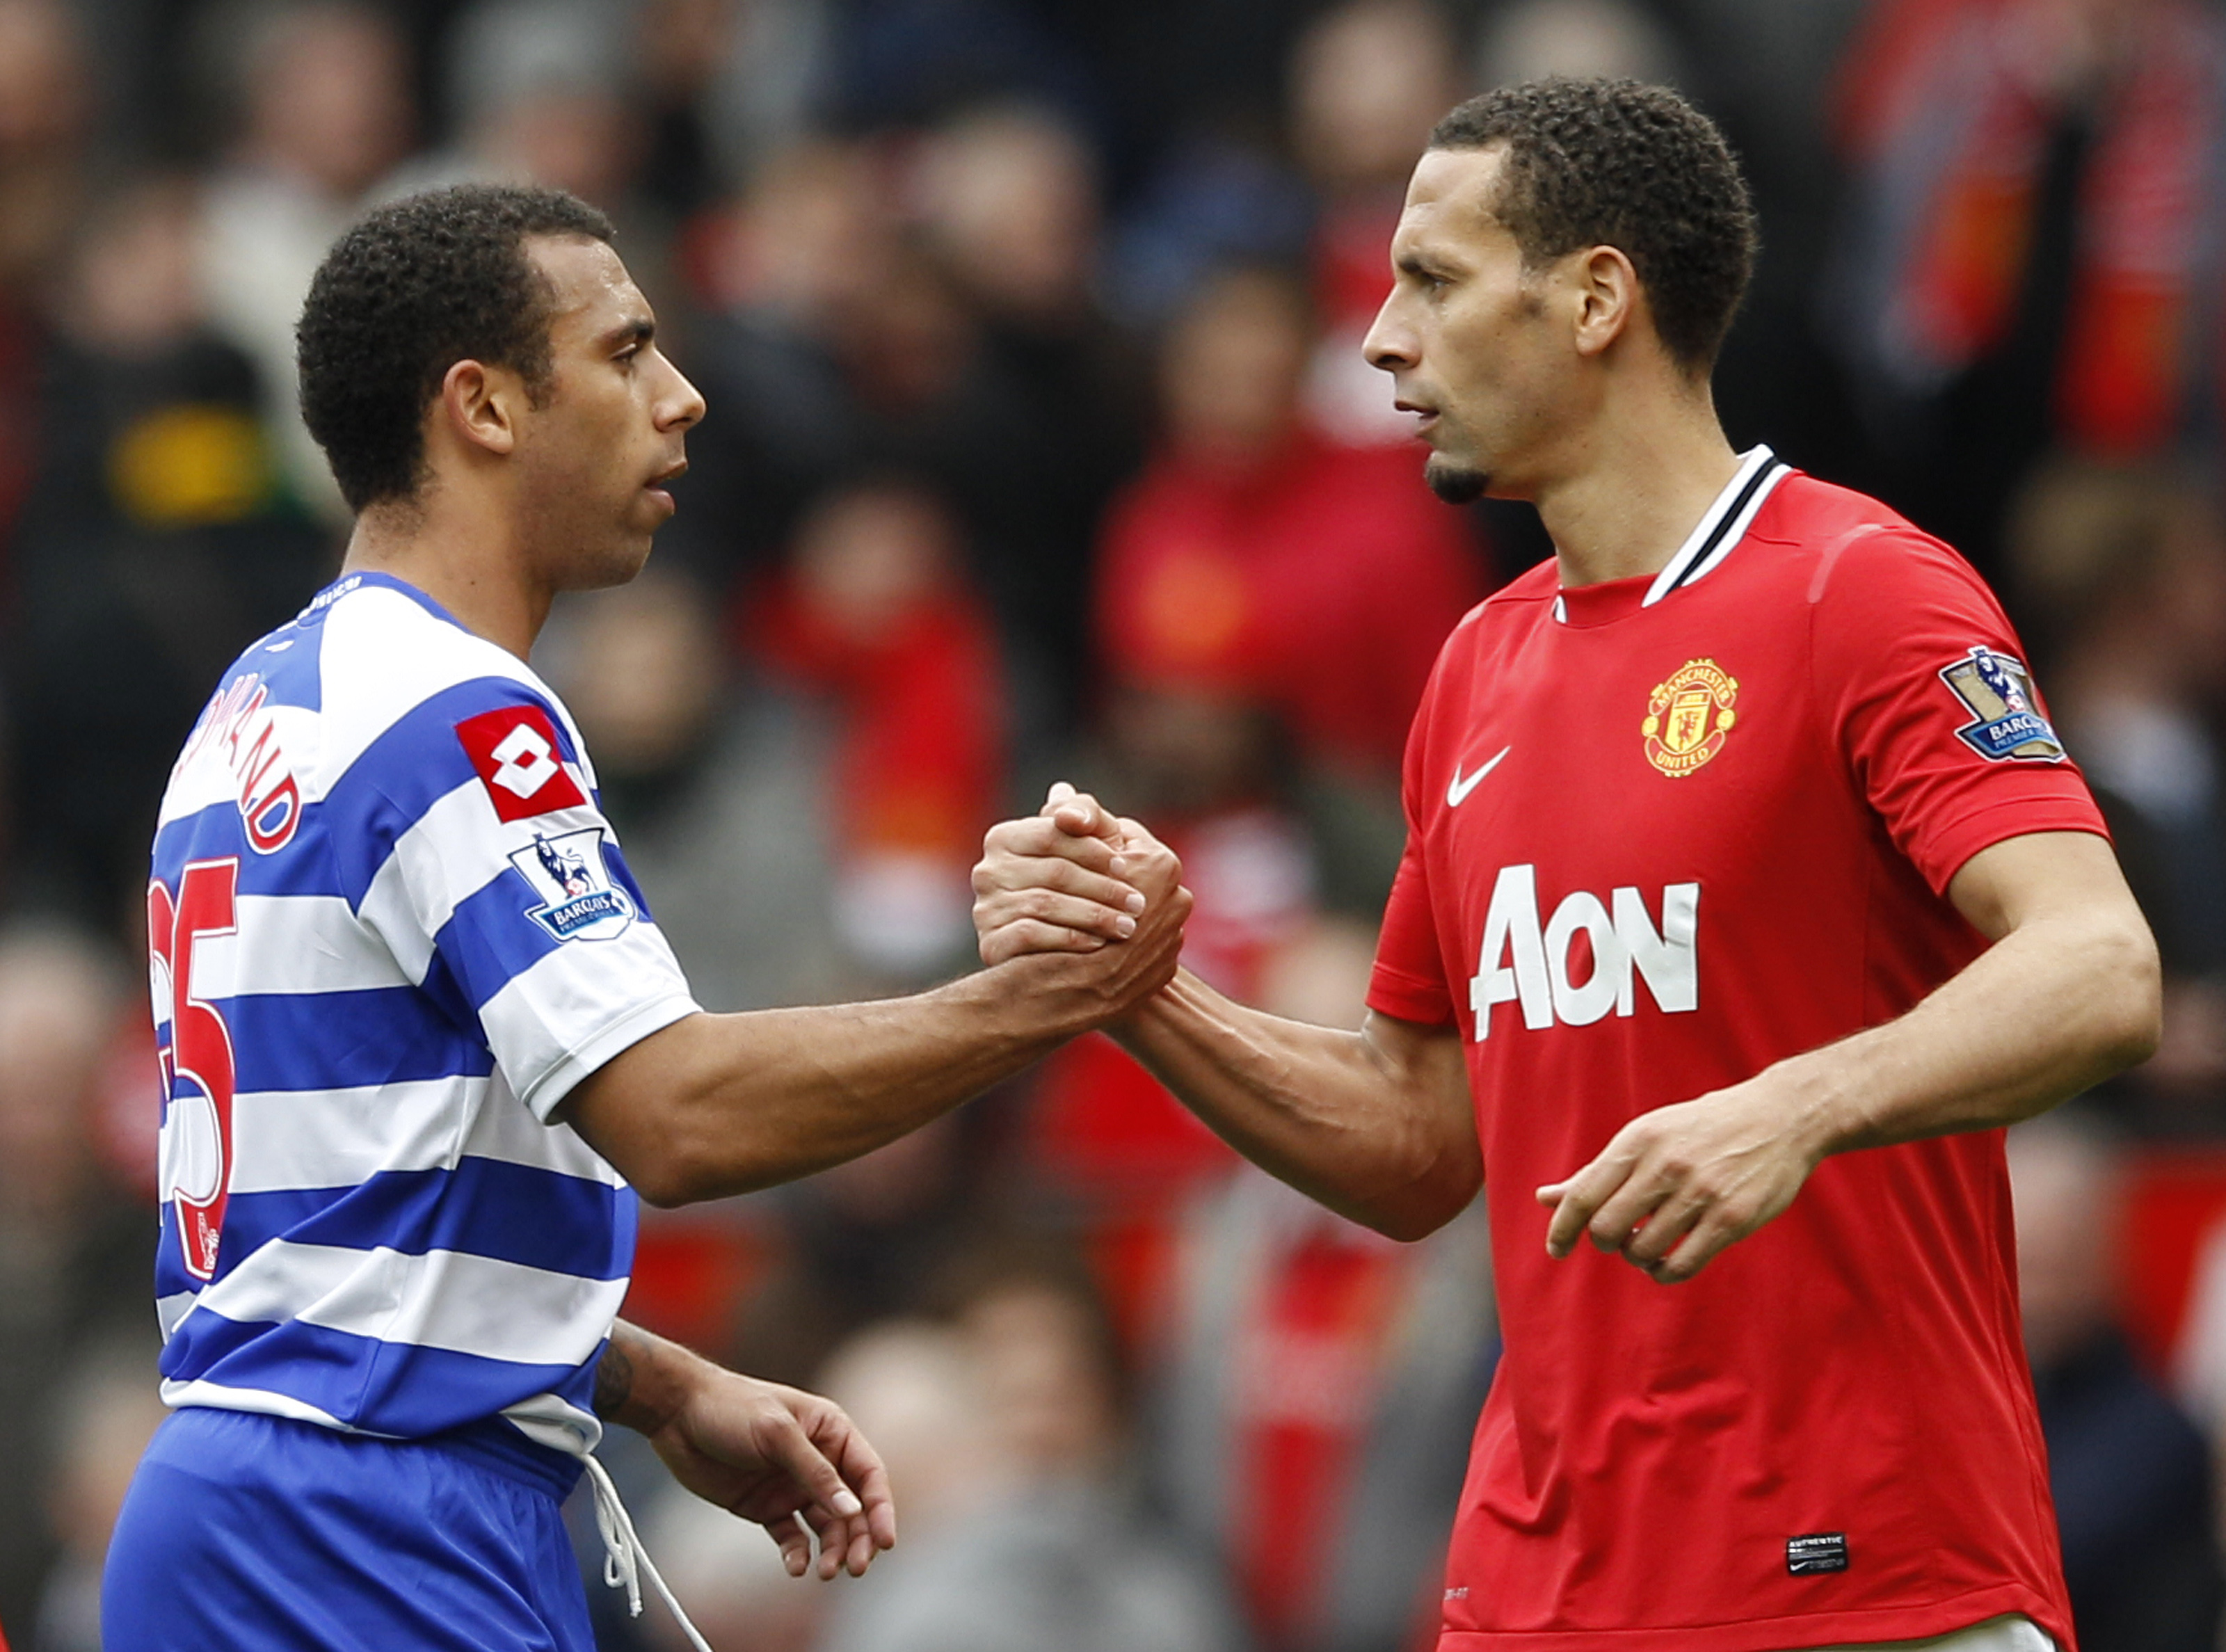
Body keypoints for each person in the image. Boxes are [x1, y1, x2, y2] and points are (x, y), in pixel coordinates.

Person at [972, 79, 2161, 1652]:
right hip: (1543, 1591)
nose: (1380, 340)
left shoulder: (1862, 592)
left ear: (1597, 299)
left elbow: (2099, 966)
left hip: (1865, 1576)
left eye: (1433, 281)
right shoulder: (1477, 668)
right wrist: (1139, 992)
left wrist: (1795, 1106)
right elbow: (1415, 1141)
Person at [102, 183, 1190, 1652]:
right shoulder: (456, 711)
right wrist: (1047, 998)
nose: (681, 399)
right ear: (484, 408)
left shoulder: (254, 709)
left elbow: (347, 1237)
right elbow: (674, 1118)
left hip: (233, 1510)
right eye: (624, 354)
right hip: (377, 1528)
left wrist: (648, 1383)